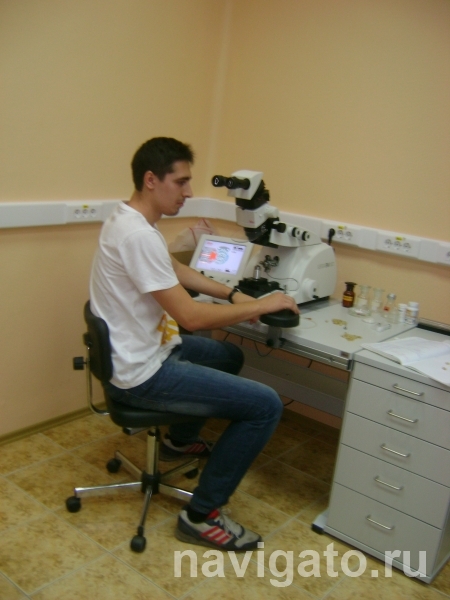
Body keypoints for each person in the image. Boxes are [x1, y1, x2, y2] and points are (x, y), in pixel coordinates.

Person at [90, 137, 299, 551]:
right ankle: (201, 516)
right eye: (181, 182)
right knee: (265, 406)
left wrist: (234, 295)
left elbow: (174, 269)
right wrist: (262, 305)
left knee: (228, 354)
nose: (188, 192)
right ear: (151, 180)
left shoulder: (128, 219)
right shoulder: (137, 236)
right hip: (143, 373)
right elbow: (191, 318)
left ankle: (178, 442)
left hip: (140, 352)